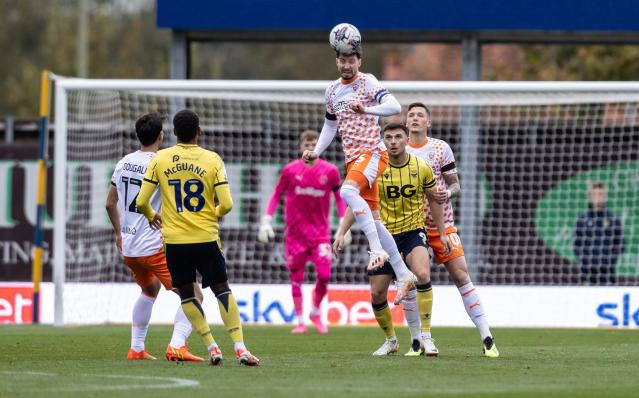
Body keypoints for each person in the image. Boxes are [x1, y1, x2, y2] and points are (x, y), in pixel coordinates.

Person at [136, 109, 259, 366]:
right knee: (221, 289)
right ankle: (240, 347)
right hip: (205, 237)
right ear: (199, 132)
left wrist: (151, 215)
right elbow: (226, 204)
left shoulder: (160, 159)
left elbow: (141, 201)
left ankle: (211, 346)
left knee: (187, 294)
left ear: (173, 133)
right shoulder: (212, 159)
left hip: (175, 241)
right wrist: (212, 214)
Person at [302, 41, 417, 304]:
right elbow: (330, 126)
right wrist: (317, 151)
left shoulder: (368, 83)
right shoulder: (331, 91)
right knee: (374, 220)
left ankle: (376, 250)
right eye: (342, 60)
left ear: (359, 61)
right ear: (337, 61)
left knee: (347, 190)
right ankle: (403, 273)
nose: (346, 64)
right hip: (353, 160)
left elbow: (395, 107)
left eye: (351, 60)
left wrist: (367, 109)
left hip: (374, 153)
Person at [334, 123, 451, 356]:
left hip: (412, 231)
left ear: (407, 139)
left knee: (423, 274)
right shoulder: (374, 167)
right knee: (377, 293)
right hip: (383, 235)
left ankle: (426, 337)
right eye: (388, 137)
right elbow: (357, 202)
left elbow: (434, 201)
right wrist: (341, 231)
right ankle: (391, 340)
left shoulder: (422, 167)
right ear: (383, 141)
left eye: (398, 137)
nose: (393, 141)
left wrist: (443, 231)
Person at [105, 113, 204, 362]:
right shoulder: (161, 162)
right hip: (154, 246)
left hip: (129, 248)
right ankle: (177, 345)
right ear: (161, 135)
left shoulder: (124, 162)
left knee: (150, 288)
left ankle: (136, 348)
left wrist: (118, 233)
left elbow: (109, 203)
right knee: (194, 294)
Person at [404, 102, 499, 358]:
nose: (415, 118)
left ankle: (487, 337)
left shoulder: (440, 147)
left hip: (443, 225)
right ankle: (416, 341)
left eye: (420, 115)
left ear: (429, 122)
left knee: (461, 275)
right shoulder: (398, 149)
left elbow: (456, 185)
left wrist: (447, 193)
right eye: (410, 115)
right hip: (412, 227)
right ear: (406, 122)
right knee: (413, 280)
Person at [258, 130, 349, 334]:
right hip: (295, 235)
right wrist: (267, 220)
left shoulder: (331, 171)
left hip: (320, 235)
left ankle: (315, 313)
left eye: (314, 143)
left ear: (320, 147)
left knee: (325, 275)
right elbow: (276, 194)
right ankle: (300, 321)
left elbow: (339, 198)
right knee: (296, 277)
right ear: (300, 147)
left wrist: (344, 222)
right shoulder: (290, 170)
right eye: (306, 143)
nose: (310, 147)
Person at [573, 182, 624, 285]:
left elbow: (621, 244)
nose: (598, 197)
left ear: (605, 196)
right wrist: (586, 260)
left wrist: (609, 260)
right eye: (595, 194)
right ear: (590, 196)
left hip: (607, 273)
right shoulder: (582, 219)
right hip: (587, 272)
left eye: (601, 194)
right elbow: (576, 245)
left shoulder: (613, 219)